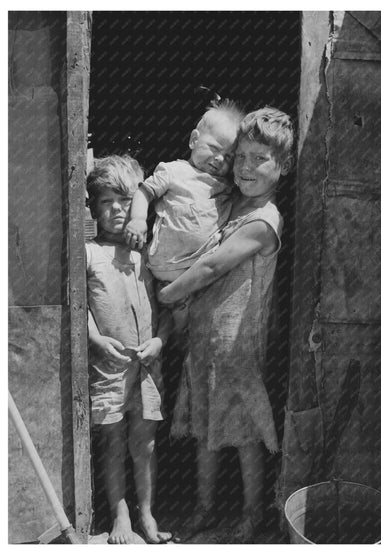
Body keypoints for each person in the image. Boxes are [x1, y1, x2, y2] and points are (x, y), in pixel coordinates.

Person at [157, 107, 294, 542]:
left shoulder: (264, 220)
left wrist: (167, 293)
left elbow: (213, 265)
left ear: (283, 167)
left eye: (260, 159)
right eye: (242, 157)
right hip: (203, 340)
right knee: (205, 429)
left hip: (237, 344)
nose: (247, 167)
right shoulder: (231, 203)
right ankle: (203, 508)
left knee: (246, 433)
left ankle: (253, 513)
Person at [86, 155, 172, 544]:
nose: (117, 209)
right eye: (106, 201)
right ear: (92, 207)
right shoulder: (88, 254)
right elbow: (78, 307)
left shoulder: (147, 255)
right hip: (109, 367)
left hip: (148, 366)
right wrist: (95, 339)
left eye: (124, 200)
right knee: (113, 442)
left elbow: (168, 309)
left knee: (146, 444)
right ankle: (120, 515)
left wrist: (160, 341)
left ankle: (147, 514)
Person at [123, 100, 245, 332]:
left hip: (201, 277)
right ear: (193, 140)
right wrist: (138, 220)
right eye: (214, 148)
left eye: (229, 157)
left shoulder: (227, 186)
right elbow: (144, 192)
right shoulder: (173, 171)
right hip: (163, 268)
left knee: (191, 332)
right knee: (156, 325)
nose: (220, 159)